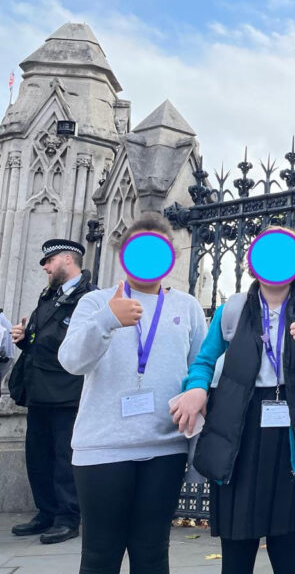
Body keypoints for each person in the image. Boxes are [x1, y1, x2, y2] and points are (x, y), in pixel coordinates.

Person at [171, 226, 295, 574]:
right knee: (237, 547)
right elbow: (203, 361)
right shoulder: (232, 310)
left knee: (289, 549)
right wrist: (196, 387)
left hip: (291, 433)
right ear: (253, 263)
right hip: (239, 432)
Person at [59, 213, 208, 574]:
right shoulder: (96, 302)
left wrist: (199, 390)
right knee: (100, 554)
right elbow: (71, 361)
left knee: (152, 553)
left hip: (165, 448)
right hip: (103, 447)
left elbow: (201, 366)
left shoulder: (187, 306)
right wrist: (107, 320)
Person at [9, 238, 96, 544]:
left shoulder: (90, 298)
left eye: (49, 261)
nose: (45, 267)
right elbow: (40, 338)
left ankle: (67, 518)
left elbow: (84, 344)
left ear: (68, 259)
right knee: (38, 457)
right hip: (38, 391)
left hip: (67, 392)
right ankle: (45, 512)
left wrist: (40, 341)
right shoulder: (48, 297)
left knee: (64, 458)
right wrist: (24, 338)